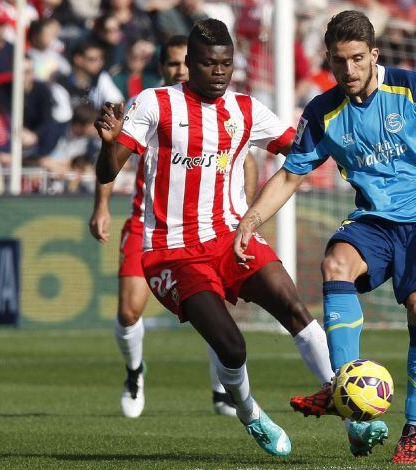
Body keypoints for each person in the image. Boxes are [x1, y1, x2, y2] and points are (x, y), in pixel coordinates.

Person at [233, 10, 416, 464]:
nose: (349, 71)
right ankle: (341, 390)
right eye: (339, 61)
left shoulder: (412, 89)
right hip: (373, 219)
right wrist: (251, 220)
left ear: (374, 55)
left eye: (357, 59)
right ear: (329, 61)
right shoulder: (322, 111)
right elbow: (291, 176)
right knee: (335, 263)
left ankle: (415, 429)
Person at [94, 19, 333, 457]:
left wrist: (338, 139)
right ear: (189, 65)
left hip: (229, 237)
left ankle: (343, 400)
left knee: (293, 305)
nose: (219, 72)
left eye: (226, 64)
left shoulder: (245, 109)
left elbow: (300, 151)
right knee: (231, 343)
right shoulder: (155, 104)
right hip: (171, 251)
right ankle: (249, 412)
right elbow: (110, 170)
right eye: (208, 64)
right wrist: (108, 146)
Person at [89, 34, 251, 418]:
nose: (179, 69)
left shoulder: (221, 108)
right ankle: (134, 372)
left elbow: (244, 157)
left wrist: (244, 207)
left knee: (216, 311)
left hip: (207, 226)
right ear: (162, 68)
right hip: (148, 223)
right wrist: (101, 207)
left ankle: (221, 392)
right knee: (129, 311)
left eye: (184, 63)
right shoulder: (150, 106)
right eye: (173, 64)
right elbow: (113, 158)